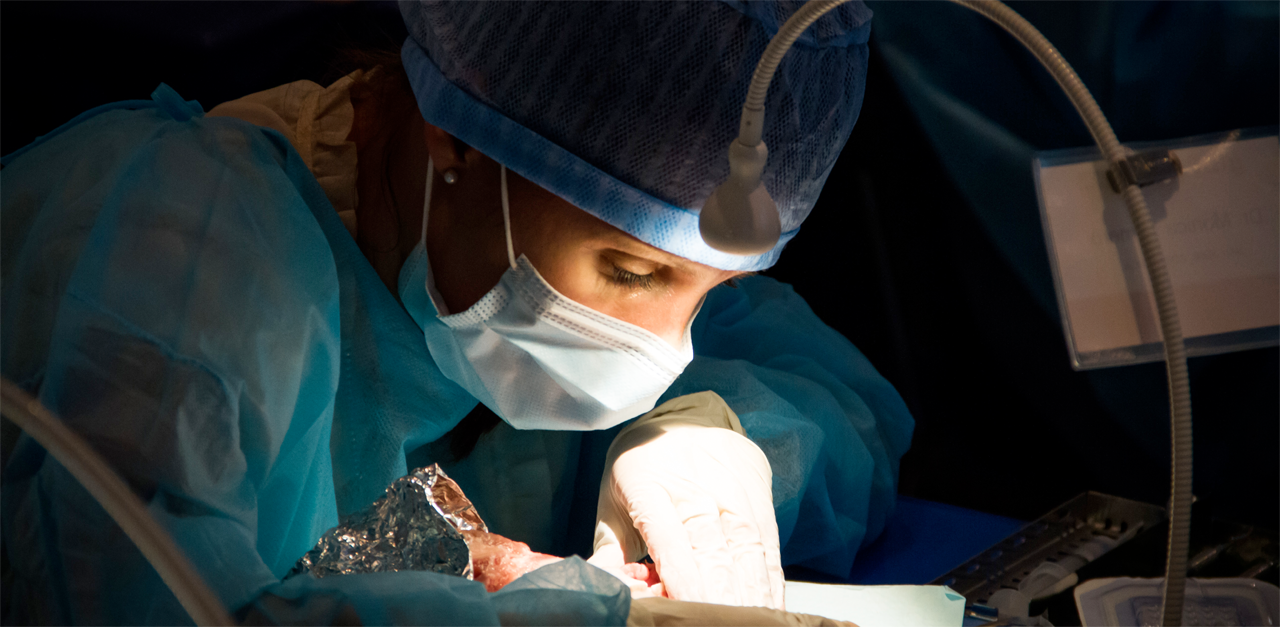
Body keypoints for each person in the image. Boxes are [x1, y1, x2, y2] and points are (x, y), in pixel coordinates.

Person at [0, 1, 913, 624]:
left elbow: (836, 400)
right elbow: (148, 598)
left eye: (715, 288)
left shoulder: (549, 231)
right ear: (460, 144)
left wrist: (717, 437)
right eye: (632, 271)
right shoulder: (182, 256)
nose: (664, 347)